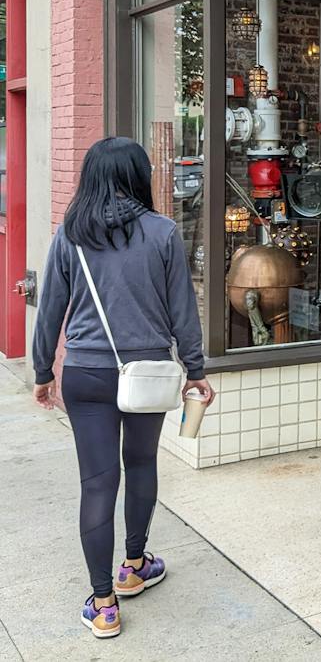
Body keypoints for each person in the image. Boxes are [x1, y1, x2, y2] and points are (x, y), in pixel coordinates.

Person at [31, 136, 213, 639]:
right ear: (138, 176)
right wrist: (194, 370)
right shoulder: (163, 233)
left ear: (90, 177)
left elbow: (50, 311)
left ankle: (103, 603)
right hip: (148, 374)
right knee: (141, 464)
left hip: (86, 375)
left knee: (97, 483)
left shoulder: (69, 235)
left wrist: (43, 371)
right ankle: (134, 568)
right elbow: (183, 312)